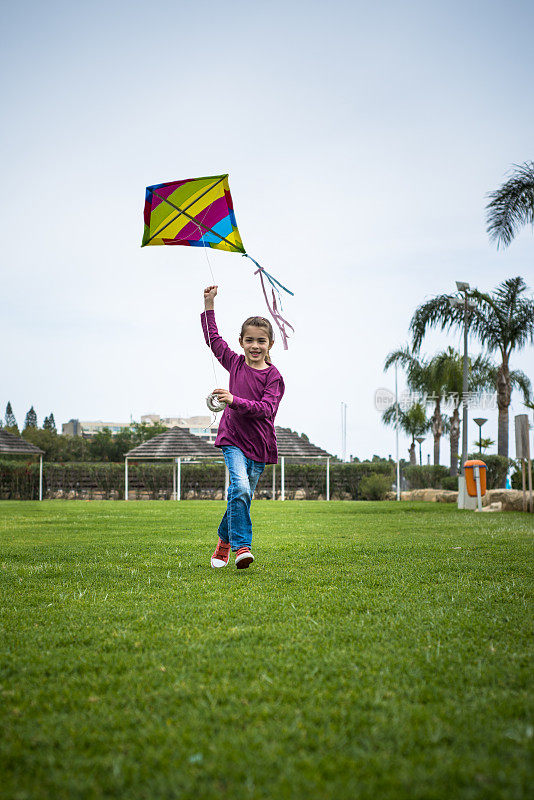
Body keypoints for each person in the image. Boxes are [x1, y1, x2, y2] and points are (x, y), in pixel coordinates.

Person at [201, 285, 285, 569]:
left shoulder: (274, 377)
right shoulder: (235, 364)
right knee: (239, 487)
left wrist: (233, 400)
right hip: (232, 439)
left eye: (261, 341)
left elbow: (266, 410)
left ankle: (224, 541)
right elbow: (214, 341)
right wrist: (209, 304)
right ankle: (242, 548)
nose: (255, 346)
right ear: (241, 342)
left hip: (259, 446)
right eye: (249, 340)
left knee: (242, 495)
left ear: (270, 344)